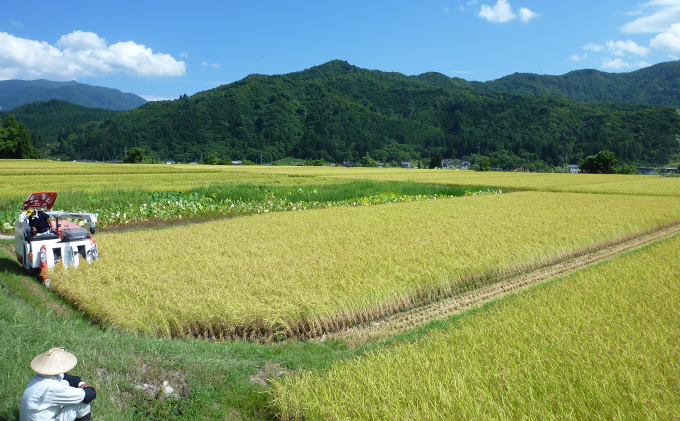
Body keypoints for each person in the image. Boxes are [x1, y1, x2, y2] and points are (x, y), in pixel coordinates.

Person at [20, 348, 96, 421]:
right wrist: (84, 388)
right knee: (81, 404)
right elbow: (90, 394)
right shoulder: (52, 387)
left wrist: (81, 383)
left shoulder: (39, 377)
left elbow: (67, 377)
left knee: (65, 383)